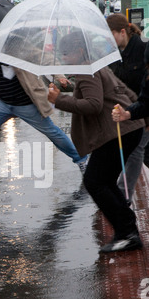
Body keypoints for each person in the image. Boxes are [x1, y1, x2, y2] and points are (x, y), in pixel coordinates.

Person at [48, 30, 145, 253]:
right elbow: (125, 93)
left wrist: (59, 100)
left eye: (66, 53)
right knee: (105, 181)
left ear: (80, 51)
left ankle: (127, 233)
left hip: (117, 132)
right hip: (127, 129)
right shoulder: (95, 67)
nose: (64, 58)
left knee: (95, 182)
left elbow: (93, 105)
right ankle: (127, 229)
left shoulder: (87, 72)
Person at [0, 25, 88, 183]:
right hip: (2, 103)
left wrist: (59, 75)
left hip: (25, 103)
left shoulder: (17, 47)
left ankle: (81, 160)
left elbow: (44, 58)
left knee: (52, 132)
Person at [107, 13, 149, 202]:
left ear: (122, 32)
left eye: (112, 35)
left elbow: (145, 87)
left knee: (137, 151)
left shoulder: (142, 50)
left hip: (142, 111)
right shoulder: (115, 55)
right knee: (137, 152)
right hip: (126, 111)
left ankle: (124, 195)